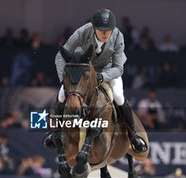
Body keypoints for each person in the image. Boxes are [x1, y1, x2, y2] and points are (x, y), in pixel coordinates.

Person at [43, 9, 146, 152]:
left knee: (118, 96)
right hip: (83, 72)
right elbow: (60, 57)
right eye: (101, 30)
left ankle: (133, 135)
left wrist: (102, 77)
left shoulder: (118, 36)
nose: (105, 34)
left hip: (107, 71)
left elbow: (118, 67)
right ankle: (54, 131)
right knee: (62, 94)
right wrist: (63, 80)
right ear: (93, 28)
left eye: (108, 30)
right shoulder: (82, 33)